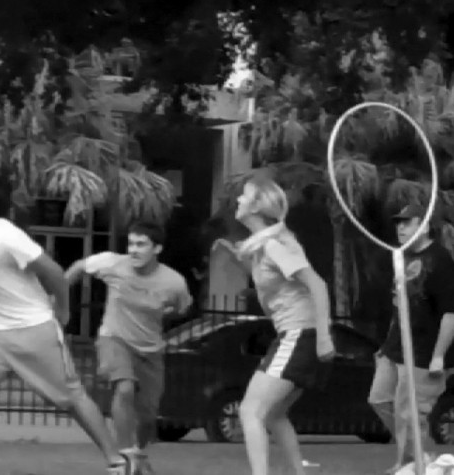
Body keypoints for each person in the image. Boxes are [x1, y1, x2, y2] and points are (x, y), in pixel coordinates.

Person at [0, 167, 138, 475]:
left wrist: (62, 311)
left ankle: (118, 462)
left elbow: (53, 273)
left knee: (71, 398)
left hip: (32, 328)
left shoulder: (5, 234)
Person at [213, 176, 335, 475]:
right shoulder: (264, 246)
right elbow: (273, 282)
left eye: (244, 197)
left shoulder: (277, 246)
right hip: (295, 335)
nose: (238, 201)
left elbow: (318, 285)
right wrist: (235, 256)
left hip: (300, 335)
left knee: (249, 411)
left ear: (257, 206)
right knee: (274, 415)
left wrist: (323, 337)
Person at [65, 222, 193, 473]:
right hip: (114, 338)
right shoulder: (113, 263)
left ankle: (137, 453)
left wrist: (165, 312)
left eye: (141, 244)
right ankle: (123, 457)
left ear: (157, 248)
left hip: (150, 349)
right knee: (124, 388)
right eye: (131, 243)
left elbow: (183, 308)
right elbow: (79, 267)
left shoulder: (174, 282)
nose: (133, 250)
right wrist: (57, 298)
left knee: (147, 417)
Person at [367, 204, 454, 474]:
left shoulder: (440, 260)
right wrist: (386, 346)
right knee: (379, 399)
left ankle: (412, 464)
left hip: (424, 352)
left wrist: (438, 356)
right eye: (398, 222)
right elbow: (399, 306)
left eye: (407, 223)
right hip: (396, 347)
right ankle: (420, 458)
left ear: (423, 225)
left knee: (411, 412)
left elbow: (451, 313)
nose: (400, 227)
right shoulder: (403, 256)